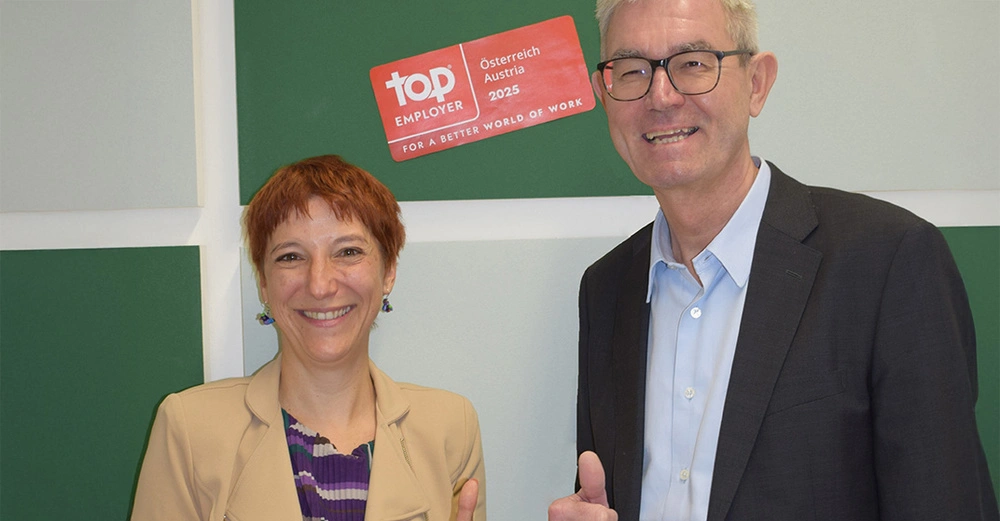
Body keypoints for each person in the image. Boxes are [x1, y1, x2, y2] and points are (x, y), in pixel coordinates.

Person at [549, 0, 999, 520]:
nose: (662, 95)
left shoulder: (887, 262)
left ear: (757, 83)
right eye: (631, 71)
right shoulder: (606, 290)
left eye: (693, 63)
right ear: (604, 93)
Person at [132, 155, 486, 521]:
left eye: (348, 252)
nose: (320, 285)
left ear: (389, 271)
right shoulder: (190, 428)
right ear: (264, 283)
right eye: (290, 257)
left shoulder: (450, 426)